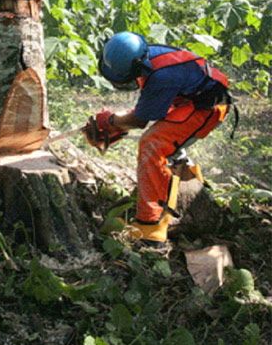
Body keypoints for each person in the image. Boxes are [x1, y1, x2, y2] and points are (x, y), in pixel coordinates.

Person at [86, 32, 234, 248]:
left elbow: (139, 121)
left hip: (208, 107)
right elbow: (145, 110)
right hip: (190, 99)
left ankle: (151, 226)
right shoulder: (147, 56)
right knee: (165, 141)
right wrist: (114, 123)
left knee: (153, 144)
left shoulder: (162, 76)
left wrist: (110, 120)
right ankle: (190, 193)